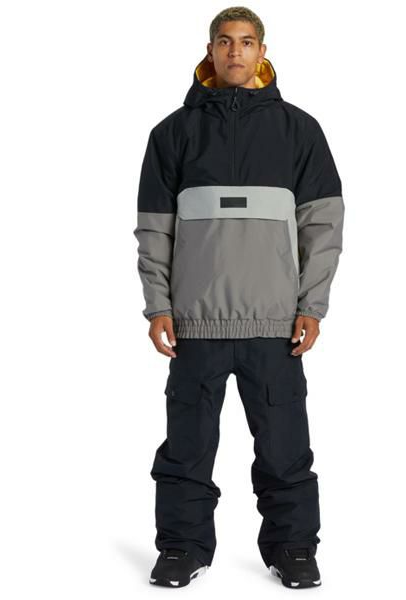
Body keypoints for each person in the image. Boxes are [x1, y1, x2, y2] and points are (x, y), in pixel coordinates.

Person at [133, 6, 344, 589]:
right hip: (194, 324)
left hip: (274, 323)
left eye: (246, 42)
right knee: (187, 447)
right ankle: (182, 548)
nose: (235, 51)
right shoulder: (172, 133)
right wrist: (158, 306)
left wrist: (311, 307)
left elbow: (323, 227)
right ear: (210, 50)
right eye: (225, 41)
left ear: (261, 52)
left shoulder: (300, 131)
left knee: (285, 448)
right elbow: (154, 230)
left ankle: (293, 549)